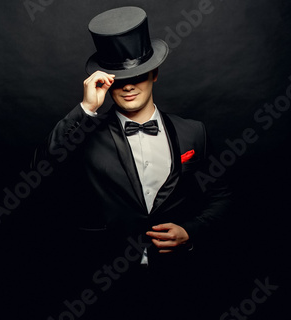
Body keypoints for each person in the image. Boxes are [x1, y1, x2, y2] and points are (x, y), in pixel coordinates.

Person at [31, 6, 232, 320]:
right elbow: (39, 171)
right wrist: (84, 109)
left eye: (137, 74)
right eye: (118, 78)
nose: (127, 85)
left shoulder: (194, 132)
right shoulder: (84, 134)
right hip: (102, 288)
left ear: (154, 72)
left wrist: (191, 232)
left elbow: (220, 198)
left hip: (180, 284)